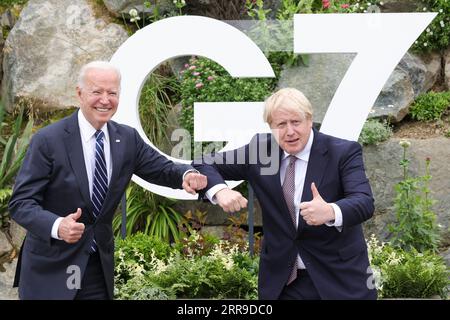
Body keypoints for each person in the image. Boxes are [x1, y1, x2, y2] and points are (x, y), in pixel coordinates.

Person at [9, 61, 207, 300]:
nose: (105, 100)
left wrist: (186, 175)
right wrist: (57, 225)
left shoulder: (127, 138)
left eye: (112, 93)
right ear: (79, 93)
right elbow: (21, 203)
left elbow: (162, 169)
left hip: (96, 269)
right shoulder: (48, 140)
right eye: (97, 91)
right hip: (50, 269)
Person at [193, 88, 377, 300]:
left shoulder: (342, 152)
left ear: (309, 120)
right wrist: (220, 190)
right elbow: (203, 162)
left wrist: (330, 211)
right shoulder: (260, 152)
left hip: (339, 281)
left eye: (296, 122)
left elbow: (364, 201)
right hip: (283, 284)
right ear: (271, 127)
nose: (290, 131)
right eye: (281, 124)